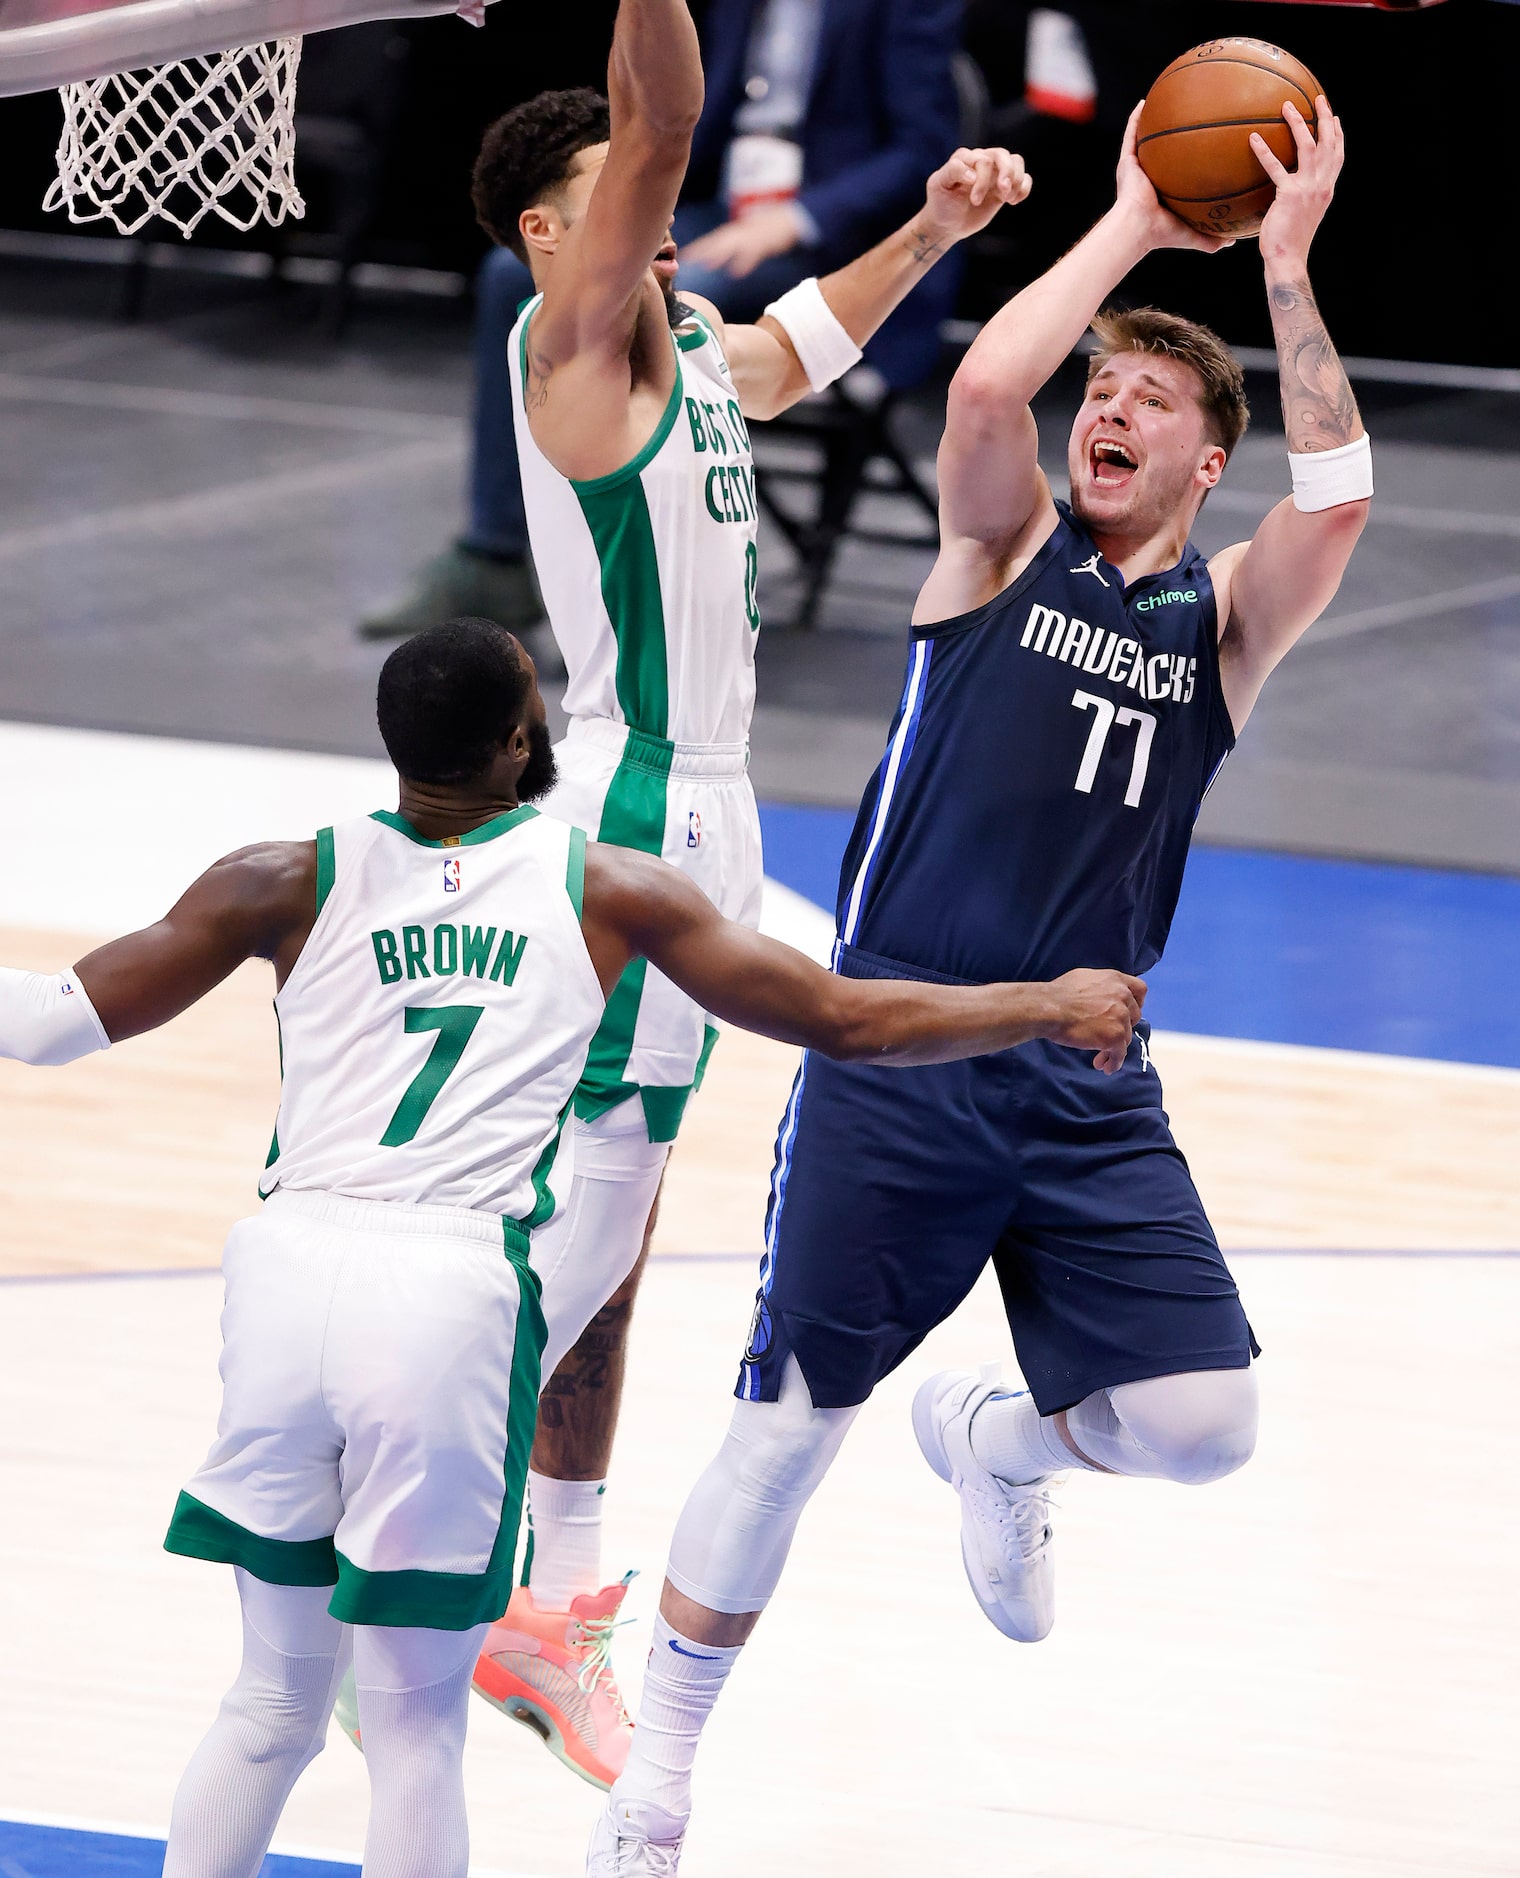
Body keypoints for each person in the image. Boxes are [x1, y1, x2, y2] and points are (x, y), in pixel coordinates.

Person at [0, 618, 1145, 1878]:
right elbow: (843, 1021)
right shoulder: (608, 887)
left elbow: (53, 1022)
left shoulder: (281, 877)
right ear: (518, 740)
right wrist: (1046, 1004)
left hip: (280, 1273)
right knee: (416, 1723)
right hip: (443, 1295)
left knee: (269, 1703)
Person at [588, 95, 1370, 1872]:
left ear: (1202, 464)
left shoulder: (1225, 624)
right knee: (780, 1437)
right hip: (899, 1049)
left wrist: (1287, 264)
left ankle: (1007, 1438)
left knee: (1201, 1429)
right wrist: (1125, 229)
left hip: (1086, 1075)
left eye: (1151, 402)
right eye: (1105, 392)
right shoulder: (999, 552)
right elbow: (980, 396)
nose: (1109, 409)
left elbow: (1342, 493)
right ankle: (660, 1780)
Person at [448, 0, 1029, 1789]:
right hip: (635, 799)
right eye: (620, 195)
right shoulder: (577, 341)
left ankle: (547, 1593)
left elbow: (798, 350)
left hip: (712, 809)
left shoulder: (688, 348)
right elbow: (669, 111)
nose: (665, 222)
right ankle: (457, 1569)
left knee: (617, 1241)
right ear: (559, 227)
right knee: (587, 1219)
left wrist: (931, 229)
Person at [356, 0, 964, 641]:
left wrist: (796, 218)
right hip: (726, 206)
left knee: (658, 294)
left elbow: (920, 146)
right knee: (513, 273)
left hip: (829, 230)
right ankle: (494, 551)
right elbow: (667, 117)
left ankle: (618, 580)